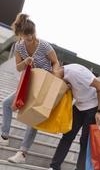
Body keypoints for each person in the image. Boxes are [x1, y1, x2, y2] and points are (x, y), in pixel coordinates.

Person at [0, 13, 60, 163]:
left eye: (32, 35)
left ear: (34, 31)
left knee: (34, 117)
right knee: (7, 103)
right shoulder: (19, 47)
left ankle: (23, 153)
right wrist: (25, 61)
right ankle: (4, 136)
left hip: (43, 85)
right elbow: (19, 68)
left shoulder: (44, 45)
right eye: (26, 36)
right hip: (28, 84)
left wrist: (54, 76)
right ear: (20, 34)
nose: (30, 38)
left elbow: (55, 62)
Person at [48, 63, 100, 170]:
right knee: (67, 135)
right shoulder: (63, 75)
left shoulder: (75, 73)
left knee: (84, 140)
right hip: (81, 104)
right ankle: (54, 166)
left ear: (54, 72)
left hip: (95, 104)